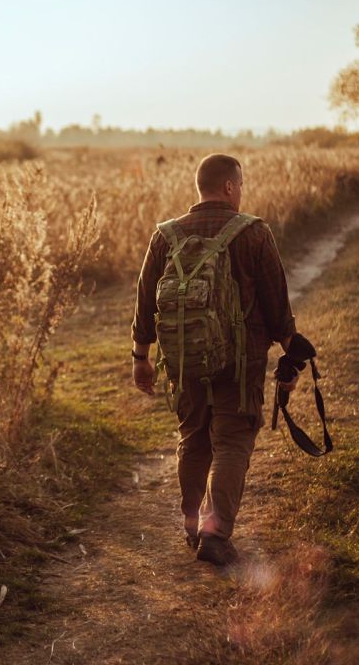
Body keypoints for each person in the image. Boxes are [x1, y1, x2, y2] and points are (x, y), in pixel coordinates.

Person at [130, 153, 299, 567]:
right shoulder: (254, 233)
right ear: (228, 187)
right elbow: (277, 305)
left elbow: (145, 298)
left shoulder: (165, 236)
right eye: (239, 185)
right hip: (239, 364)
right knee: (232, 441)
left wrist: (141, 356)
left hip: (184, 360)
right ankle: (215, 535)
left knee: (194, 437)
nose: (241, 192)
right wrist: (291, 353)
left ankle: (193, 527)